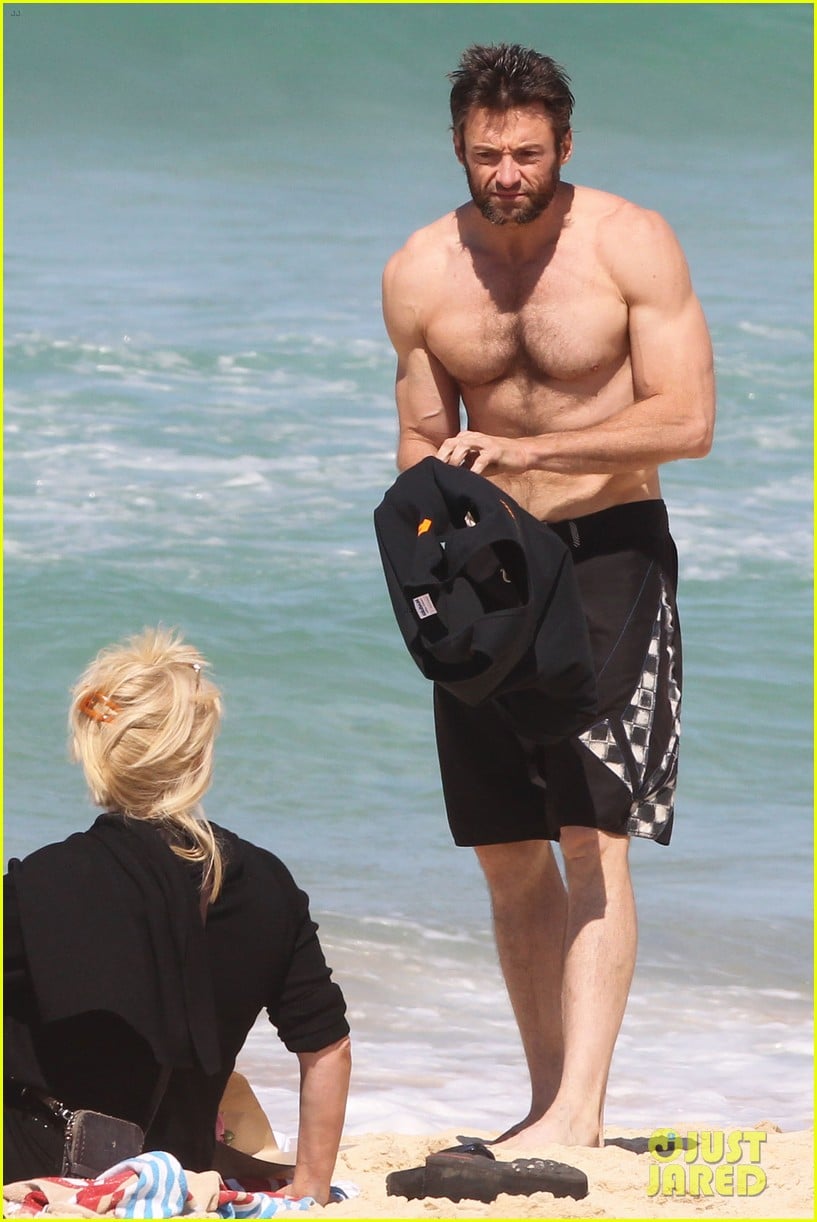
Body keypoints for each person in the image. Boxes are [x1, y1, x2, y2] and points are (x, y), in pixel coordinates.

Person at [381, 43, 715, 1150]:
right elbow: (420, 441)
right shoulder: (420, 271)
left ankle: (581, 1110)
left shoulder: (630, 243)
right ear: (458, 147)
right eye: (488, 154)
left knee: (589, 830)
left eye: (527, 153)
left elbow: (686, 420)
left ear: (564, 144)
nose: (507, 173)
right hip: (487, 576)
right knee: (503, 845)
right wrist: (424, 570)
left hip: (610, 551)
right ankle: (541, 1105)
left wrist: (532, 455)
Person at [4, 627, 351, 1203]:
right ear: (199, 752)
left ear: (95, 748)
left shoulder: (41, 883)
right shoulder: (266, 884)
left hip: (42, 1159)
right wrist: (310, 1188)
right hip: (182, 1159)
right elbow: (328, 1046)